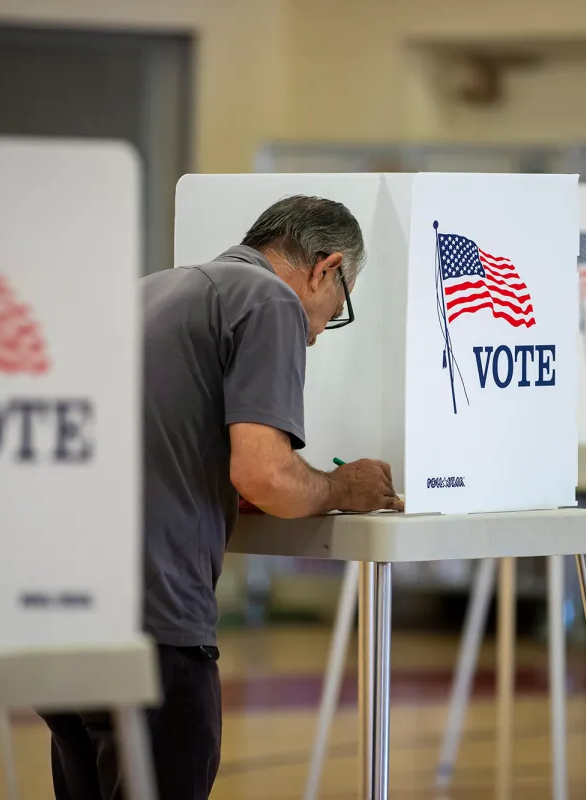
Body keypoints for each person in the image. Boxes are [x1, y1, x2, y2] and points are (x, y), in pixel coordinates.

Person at [38, 195, 404, 800]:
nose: (315, 336)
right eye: (335, 310)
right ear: (325, 268)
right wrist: (345, 486)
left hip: (60, 617)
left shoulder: (154, 289)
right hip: (153, 624)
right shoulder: (269, 302)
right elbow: (267, 476)